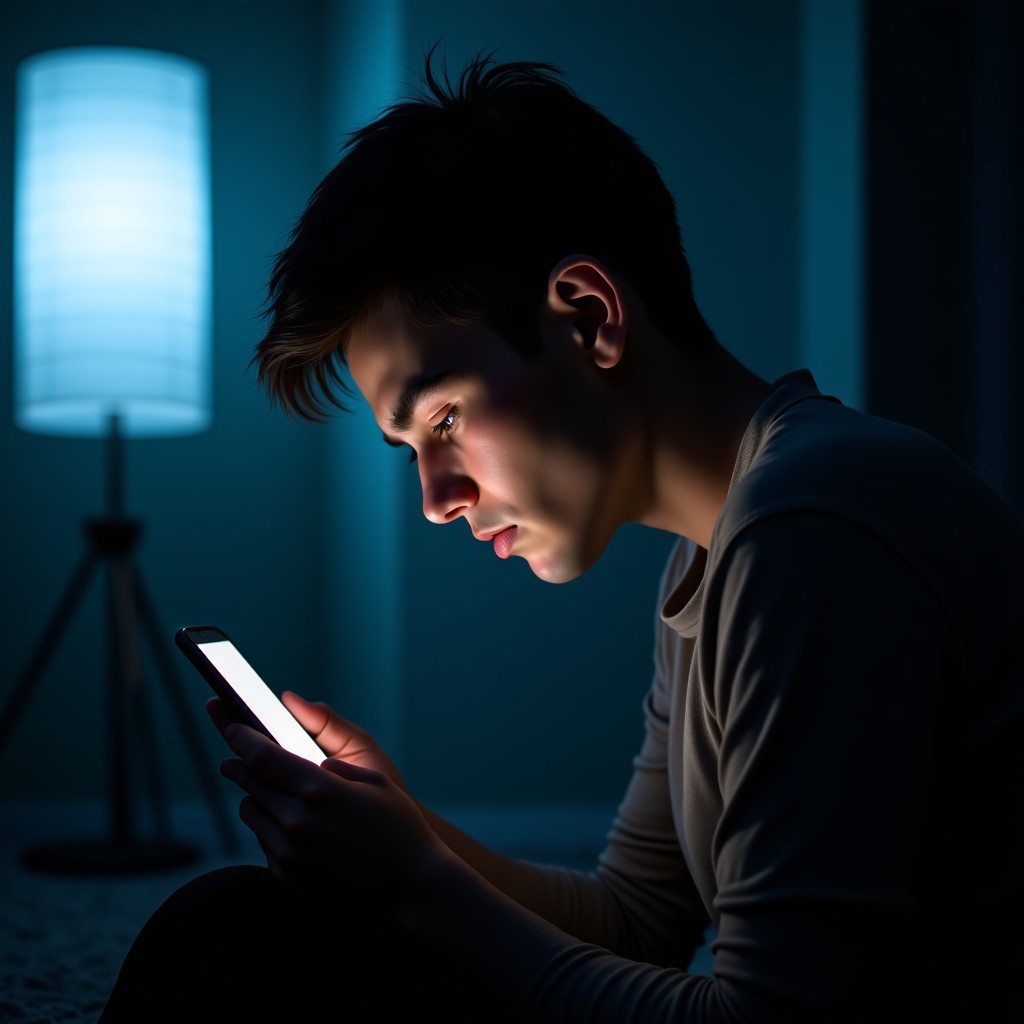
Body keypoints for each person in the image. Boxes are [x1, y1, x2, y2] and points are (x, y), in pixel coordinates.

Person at [99, 49, 1023, 1023]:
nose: (435, 498)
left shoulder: (814, 526)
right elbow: (635, 918)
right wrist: (410, 831)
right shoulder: (719, 547)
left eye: (443, 420)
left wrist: (416, 881)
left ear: (588, 317)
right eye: (410, 450)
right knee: (244, 928)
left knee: (231, 937)